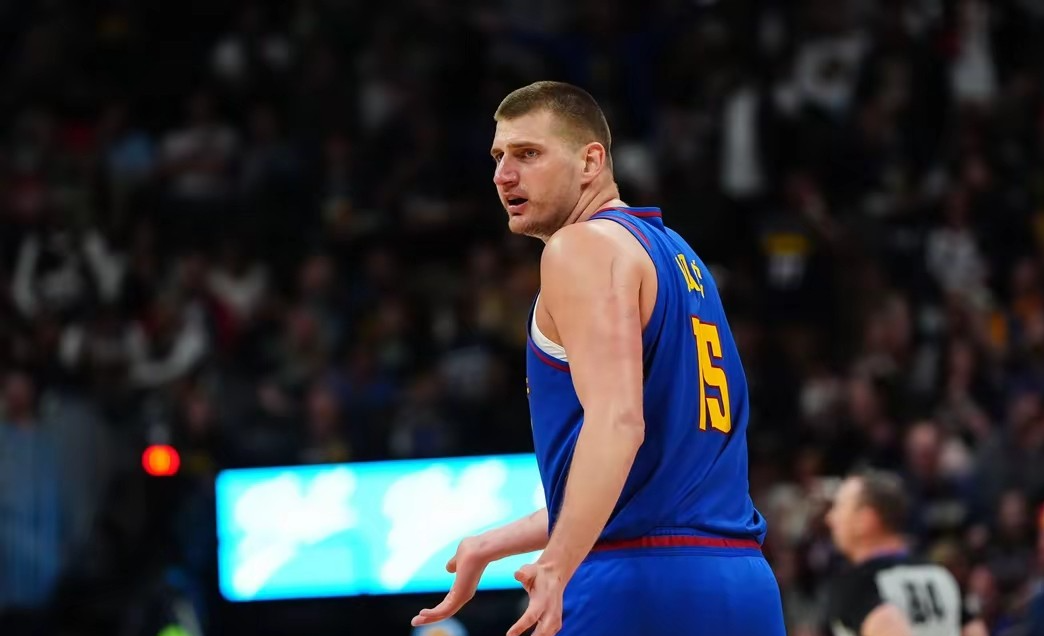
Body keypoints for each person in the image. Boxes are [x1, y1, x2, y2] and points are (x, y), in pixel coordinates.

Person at [411, 80, 784, 635]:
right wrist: (495, 542)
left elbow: (618, 425)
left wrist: (556, 564)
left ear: (590, 162)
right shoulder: (681, 259)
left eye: (527, 154)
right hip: (741, 583)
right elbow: (644, 481)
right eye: (498, 157)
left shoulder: (580, 247)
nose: (503, 175)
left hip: (633, 583)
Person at [824, 469, 989, 636]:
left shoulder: (858, 585)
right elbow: (975, 630)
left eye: (839, 507)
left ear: (865, 519)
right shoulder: (939, 575)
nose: (830, 518)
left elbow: (886, 624)